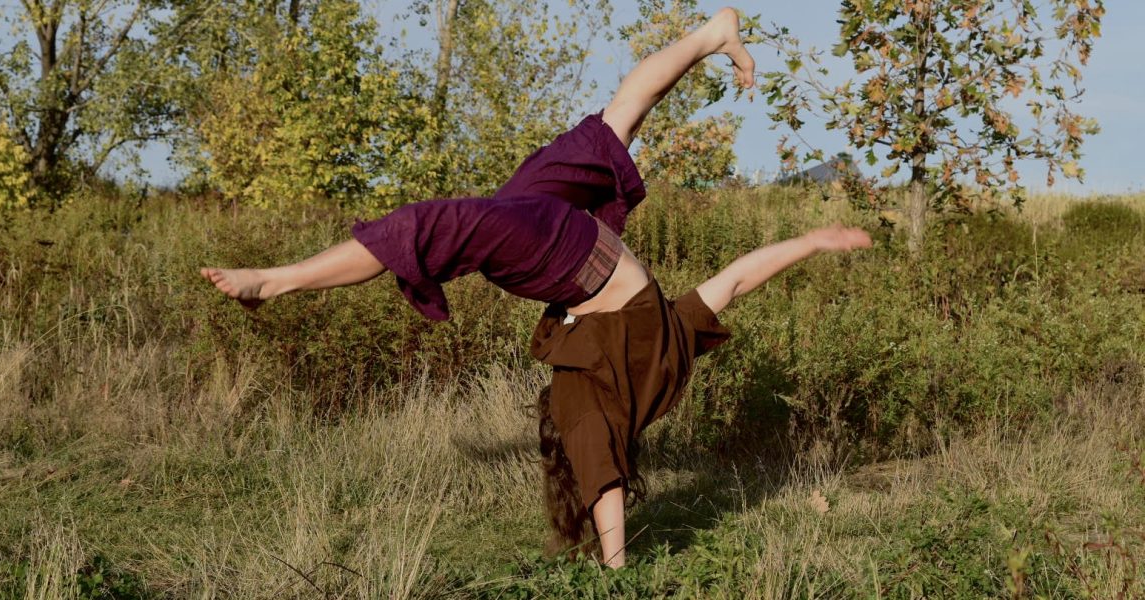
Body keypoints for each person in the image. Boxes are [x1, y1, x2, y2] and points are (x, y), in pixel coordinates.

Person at [200, 8, 873, 568]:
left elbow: (736, 281)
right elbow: (603, 474)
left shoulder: (673, 350)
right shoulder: (586, 400)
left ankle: (709, 35)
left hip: (586, 246)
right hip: (571, 257)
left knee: (613, 127)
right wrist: (617, 568)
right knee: (431, 228)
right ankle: (277, 282)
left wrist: (814, 242)